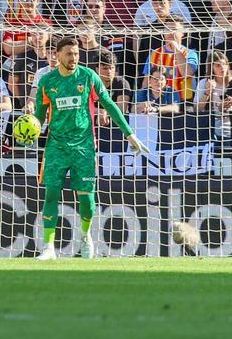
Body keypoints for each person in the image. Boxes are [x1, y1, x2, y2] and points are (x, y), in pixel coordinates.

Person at [33, 37, 148, 261]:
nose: (74, 58)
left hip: (84, 146)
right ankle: (48, 247)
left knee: (86, 200)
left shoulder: (88, 76)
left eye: (76, 54)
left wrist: (129, 134)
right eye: (69, 54)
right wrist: (30, 130)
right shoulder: (47, 82)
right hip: (56, 146)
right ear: (57, 55)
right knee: (51, 194)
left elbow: (109, 104)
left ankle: (85, 236)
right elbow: (39, 115)